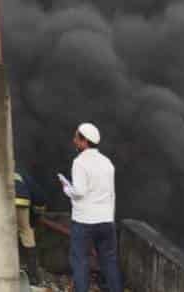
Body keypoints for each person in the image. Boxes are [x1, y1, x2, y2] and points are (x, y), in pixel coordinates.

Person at [60, 123, 123, 292]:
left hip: (84, 221)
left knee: (80, 261)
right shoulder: (107, 162)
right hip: (106, 221)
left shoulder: (79, 162)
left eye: (76, 138)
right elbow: (111, 193)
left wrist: (67, 189)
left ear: (84, 141)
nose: (74, 141)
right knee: (109, 261)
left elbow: (79, 192)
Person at [14, 168, 46, 282]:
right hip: (21, 202)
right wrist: (37, 215)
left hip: (4, 200)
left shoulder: (1, 170)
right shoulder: (22, 174)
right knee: (26, 232)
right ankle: (33, 275)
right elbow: (39, 197)